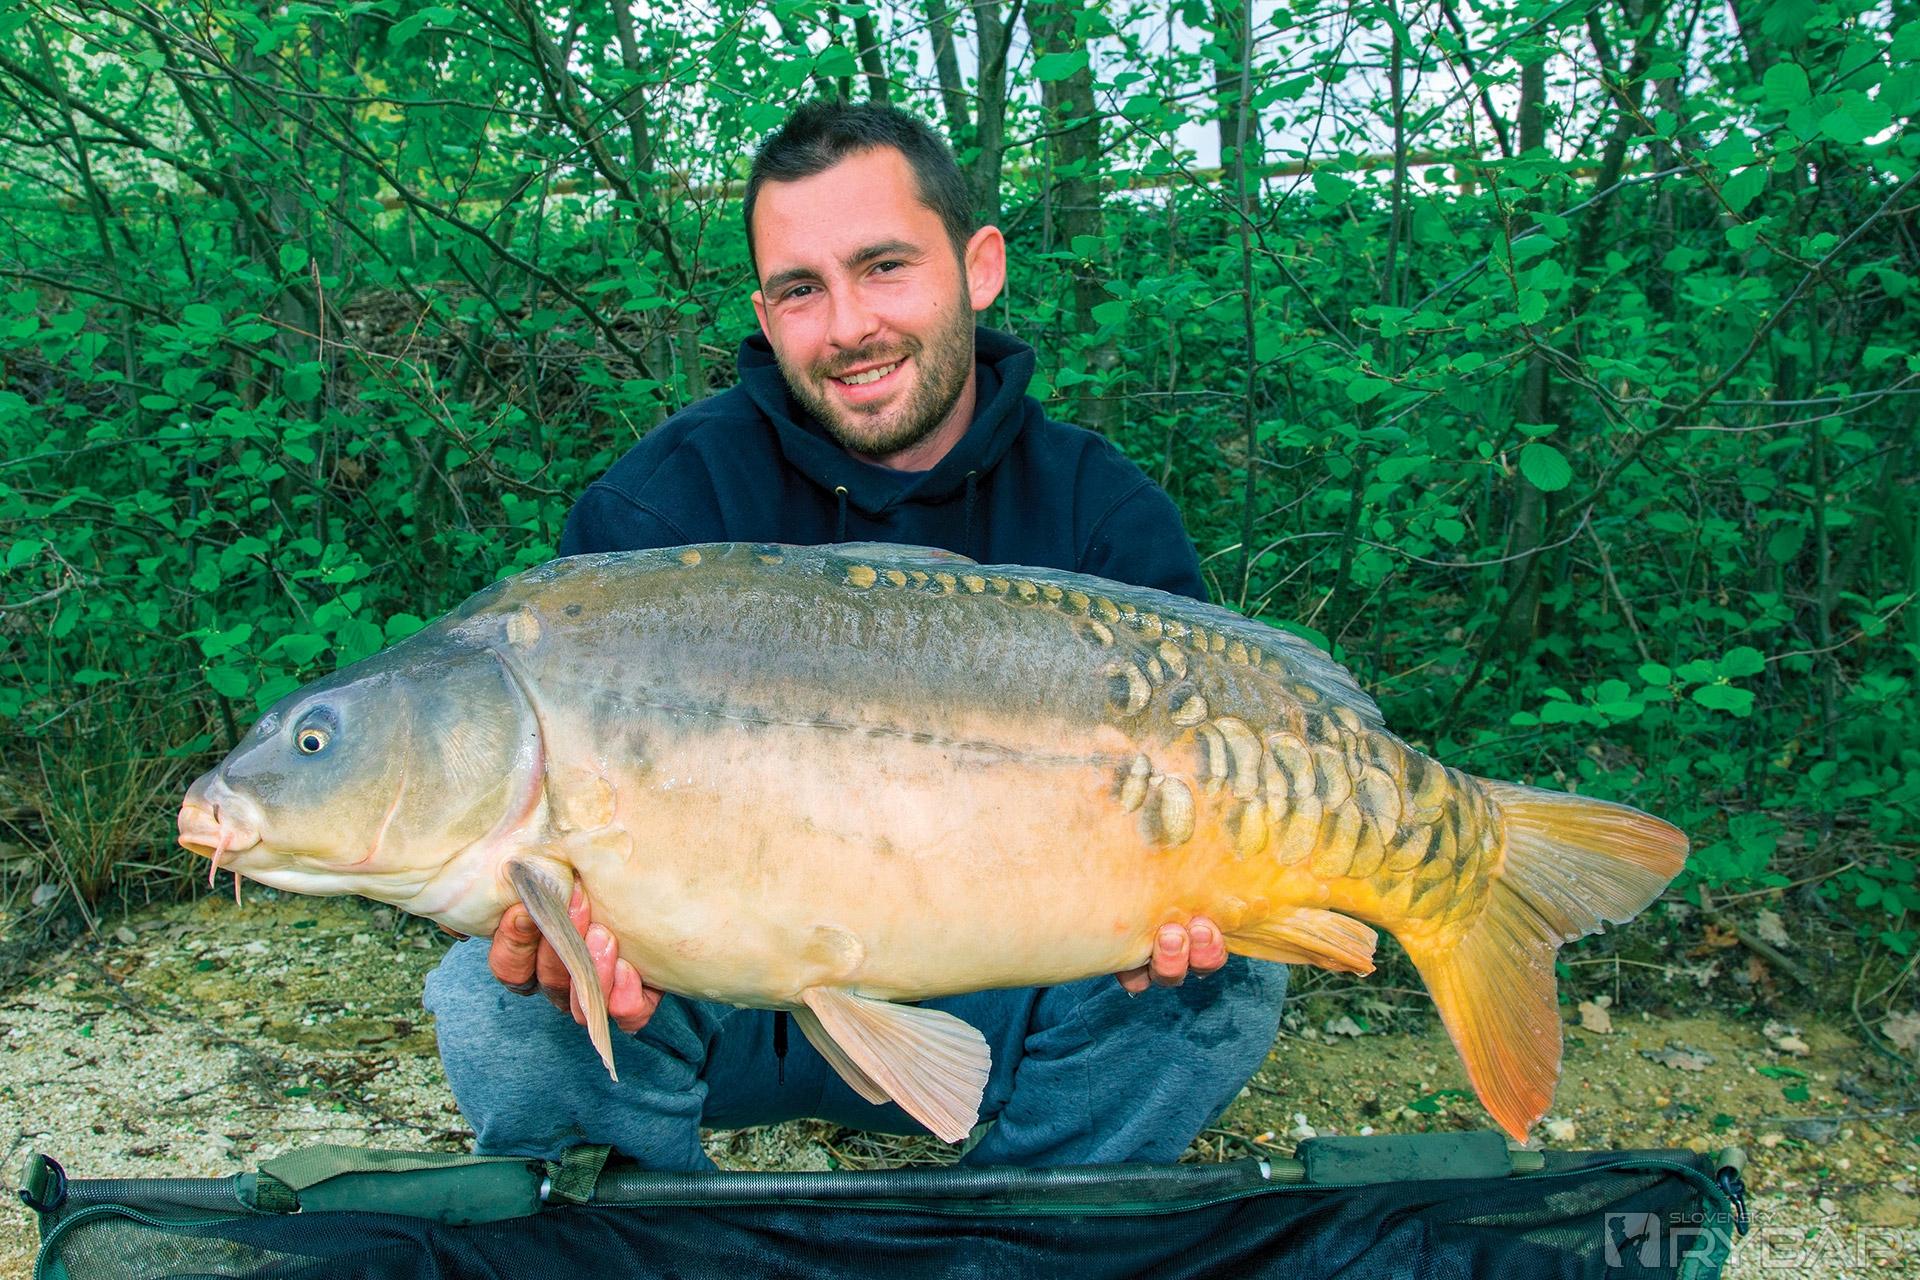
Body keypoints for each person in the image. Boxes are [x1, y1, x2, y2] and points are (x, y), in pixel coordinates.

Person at [422, 101, 1289, 1170]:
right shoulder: (658, 513)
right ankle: (665, 1237)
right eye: (801, 289)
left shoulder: (1099, 515)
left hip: (1006, 980)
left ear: (979, 267)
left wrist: (1186, 908)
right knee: (498, 1001)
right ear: (764, 311)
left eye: (884, 267)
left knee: (1225, 981)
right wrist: (574, 944)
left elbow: (1206, 779)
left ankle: (1019, 1234)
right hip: (709, 991)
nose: (847, 326)